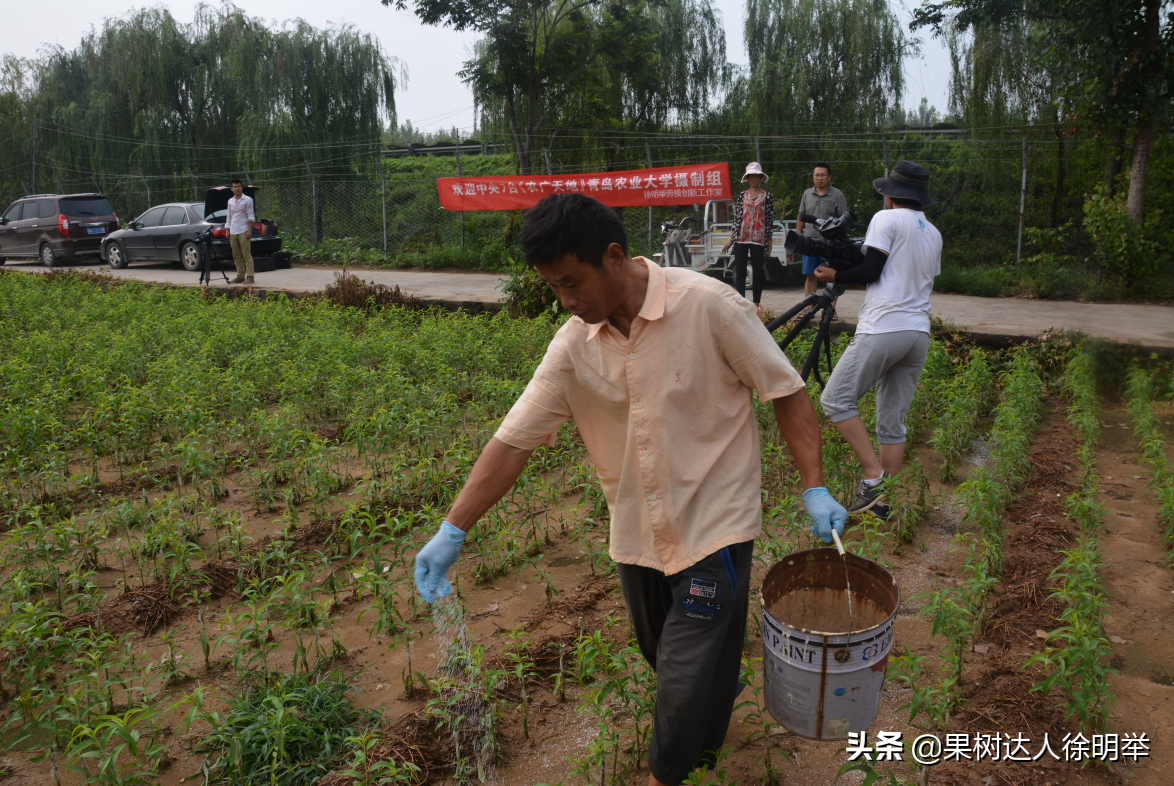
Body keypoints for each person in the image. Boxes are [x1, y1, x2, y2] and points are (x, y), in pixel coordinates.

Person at [415, 193, 848, 786]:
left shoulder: (708, 307)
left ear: (613, 257)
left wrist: (814, 487)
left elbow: (786, 390)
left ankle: (667, 773)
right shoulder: (573, 346)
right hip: (637, 531)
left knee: (681, 674)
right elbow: (514, 440)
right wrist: (453, 528)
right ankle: (712, 717)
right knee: (665, 655)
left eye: (572, 282)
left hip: (713, 524)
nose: (564, 299)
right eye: (552, 287)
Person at [813, 160, 942, 520]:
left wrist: (834, 272)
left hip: (885, 327)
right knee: (891, 422)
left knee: (836, 400)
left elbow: (872, 271)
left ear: (890, 195)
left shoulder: (886, 219)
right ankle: (885, 504)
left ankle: (873, 479)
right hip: (918, 333)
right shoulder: (933, 232)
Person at [720, 162, 776, 312]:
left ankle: (756, 304)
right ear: (747, 178)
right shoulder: (742, 196)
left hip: (758, 238)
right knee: (740, 271)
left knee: (758, 271)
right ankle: (741, 303)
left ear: (760, 178)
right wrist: (731, 239)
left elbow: (770, 219)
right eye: (751, 176)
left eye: (756, 176)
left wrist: (769, 239)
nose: (754, 179)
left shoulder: (767, 196)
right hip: (741, 238)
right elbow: (738, 218)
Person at [795, 163, 848, 301]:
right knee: (811, 276)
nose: (819, 178)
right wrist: (798, 237)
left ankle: (830, 311)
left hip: (830, 245)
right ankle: (807, 307)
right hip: (810, 243)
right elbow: (801, 216)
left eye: (823, 175)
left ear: (829, 177)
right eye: (816, 175)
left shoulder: (837, 195)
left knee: (831, 277)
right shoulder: (807, 194)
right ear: (813, 177)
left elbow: (843, 220)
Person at [225, 178, 255, 285]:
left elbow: (251, 216)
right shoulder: (230, 201)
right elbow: (229, 216)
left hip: (244, 229)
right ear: (231, 189)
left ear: (241, 188)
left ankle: (250, 276)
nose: (237, 189)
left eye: (239, 186)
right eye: (235, 187)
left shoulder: (248, 200)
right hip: (233, 230)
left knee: (246, 254)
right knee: (236, 255)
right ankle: (240, 275)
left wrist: (249, 230)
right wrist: (227, 230)